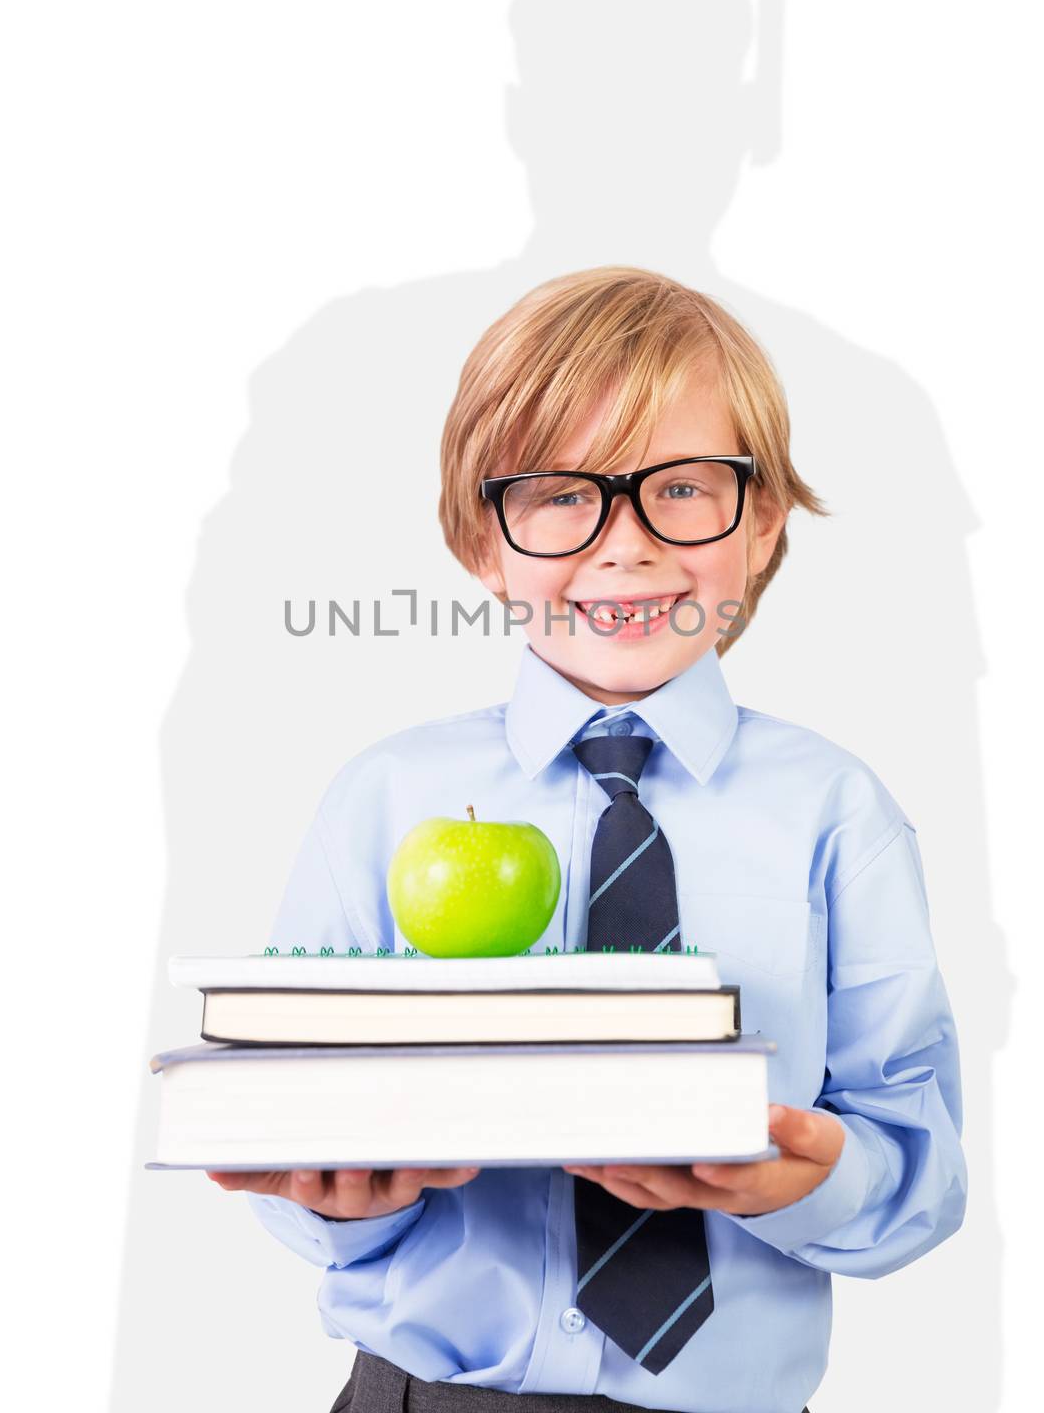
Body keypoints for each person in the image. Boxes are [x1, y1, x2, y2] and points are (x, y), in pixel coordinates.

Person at [207, 267, 967, 1413]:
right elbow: (293, 1119)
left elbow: (914, 1161)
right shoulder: (385, 796)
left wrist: (792, 1180)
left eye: (680, 488)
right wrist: (335, 1194)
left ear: (758, 522)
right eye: (561, 494)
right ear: (481, 535)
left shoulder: (834, 812)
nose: (623, 546)